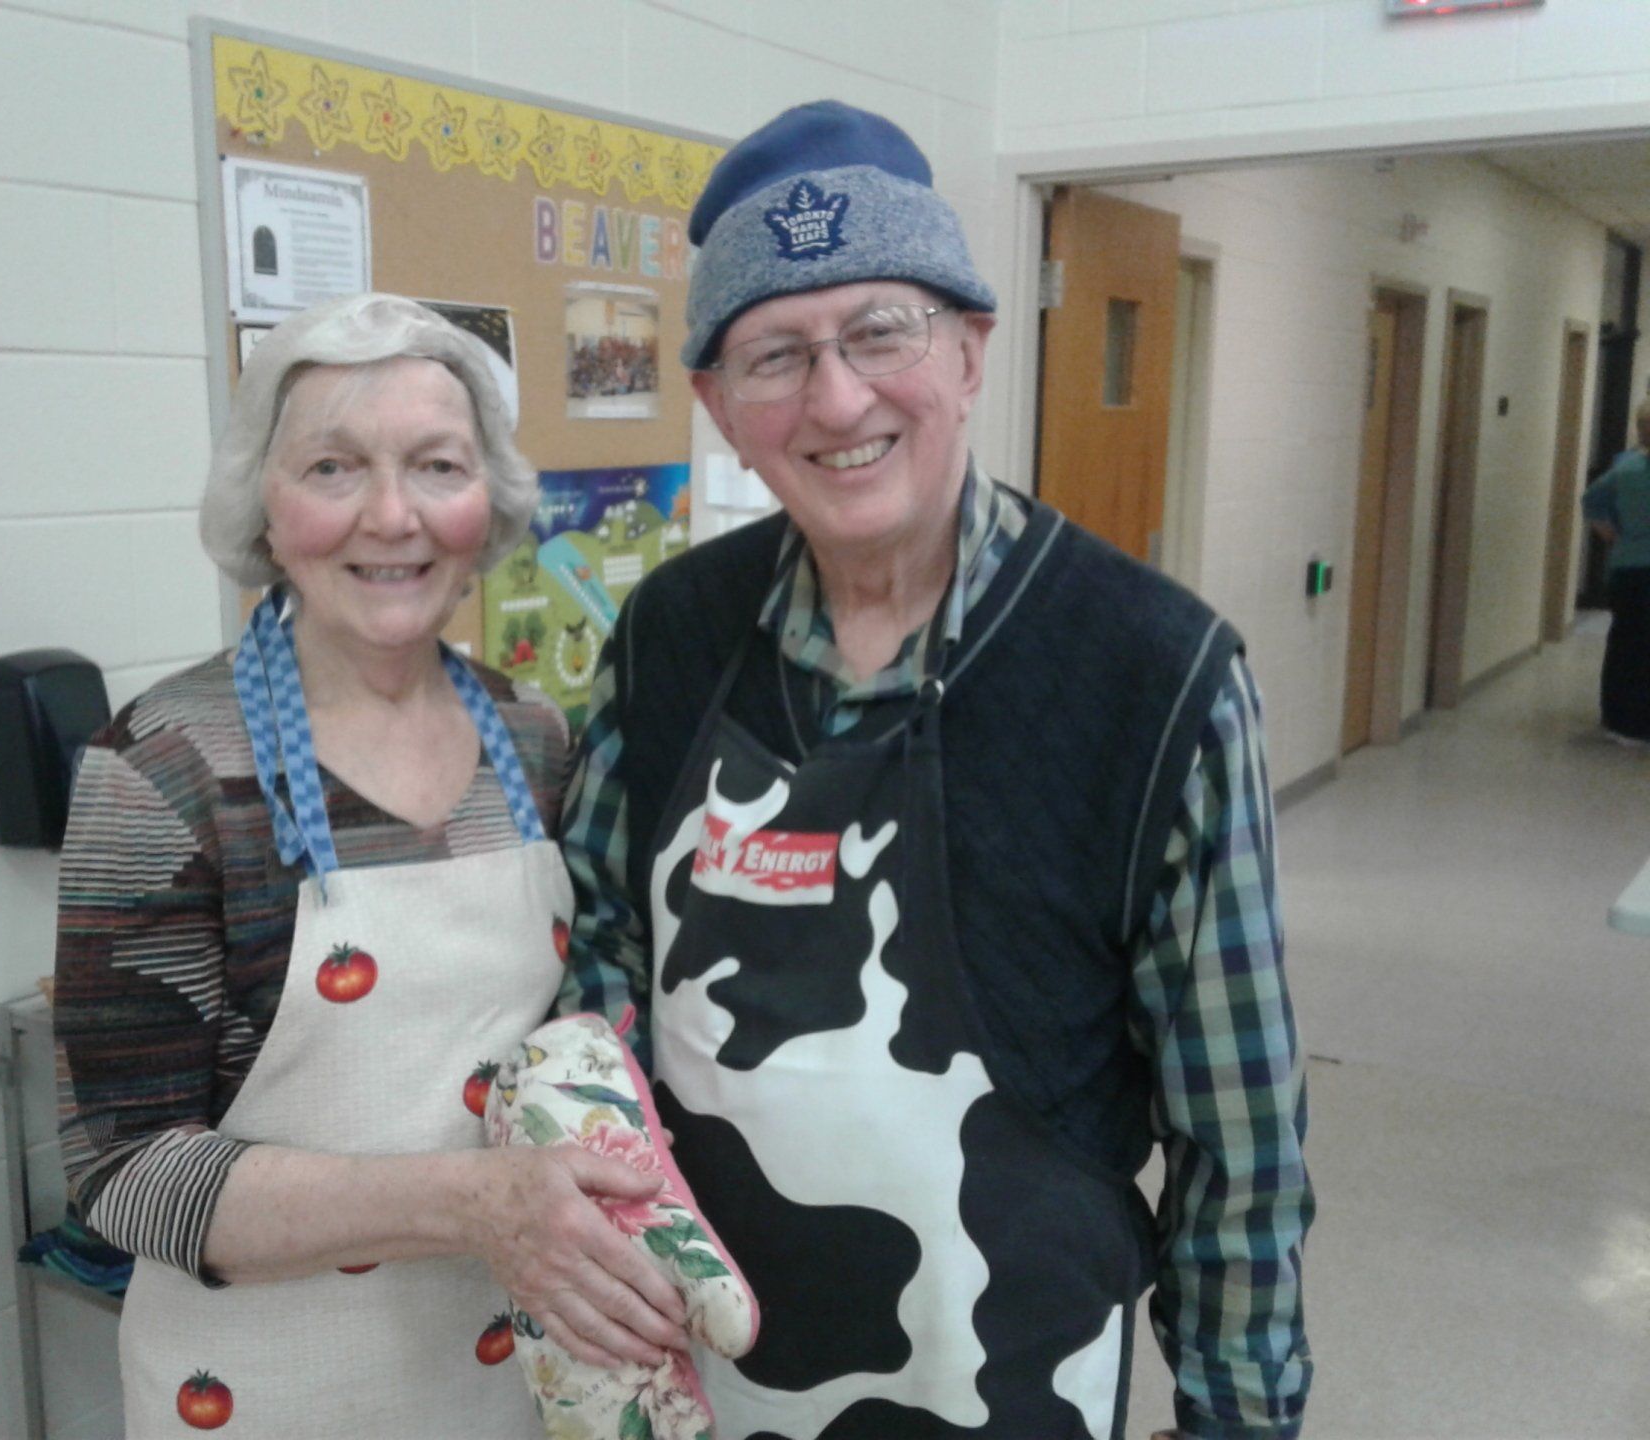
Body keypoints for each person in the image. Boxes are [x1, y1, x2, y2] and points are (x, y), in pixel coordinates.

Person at [557, 102, 1313, 1440]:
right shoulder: (672, 635)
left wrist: (1239, 1422)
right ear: (720, 406)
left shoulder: (1156, 676)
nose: (838, 400)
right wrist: (606, 1213)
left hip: (1009, 1377)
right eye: (776, 355)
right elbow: (601, 949)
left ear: (969, 351)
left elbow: (1237, 1143)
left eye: (880, 332)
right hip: (704, 1374)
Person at [54, 293, 687, 1438]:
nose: (391, 517)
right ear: (262, 502)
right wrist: (471, 1204)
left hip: (510, 1386)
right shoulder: (163, 767)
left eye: (437, 466)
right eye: (333, 468)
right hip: (258, 1396)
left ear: (488, 502)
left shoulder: (536, 740)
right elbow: (125, 1172)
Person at [1582, 398, 1650, 745]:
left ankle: (1620, 720)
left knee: (1625, 645)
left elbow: (1591, 501)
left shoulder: (1625, 470)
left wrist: (1612, 535)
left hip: (1629, 569)